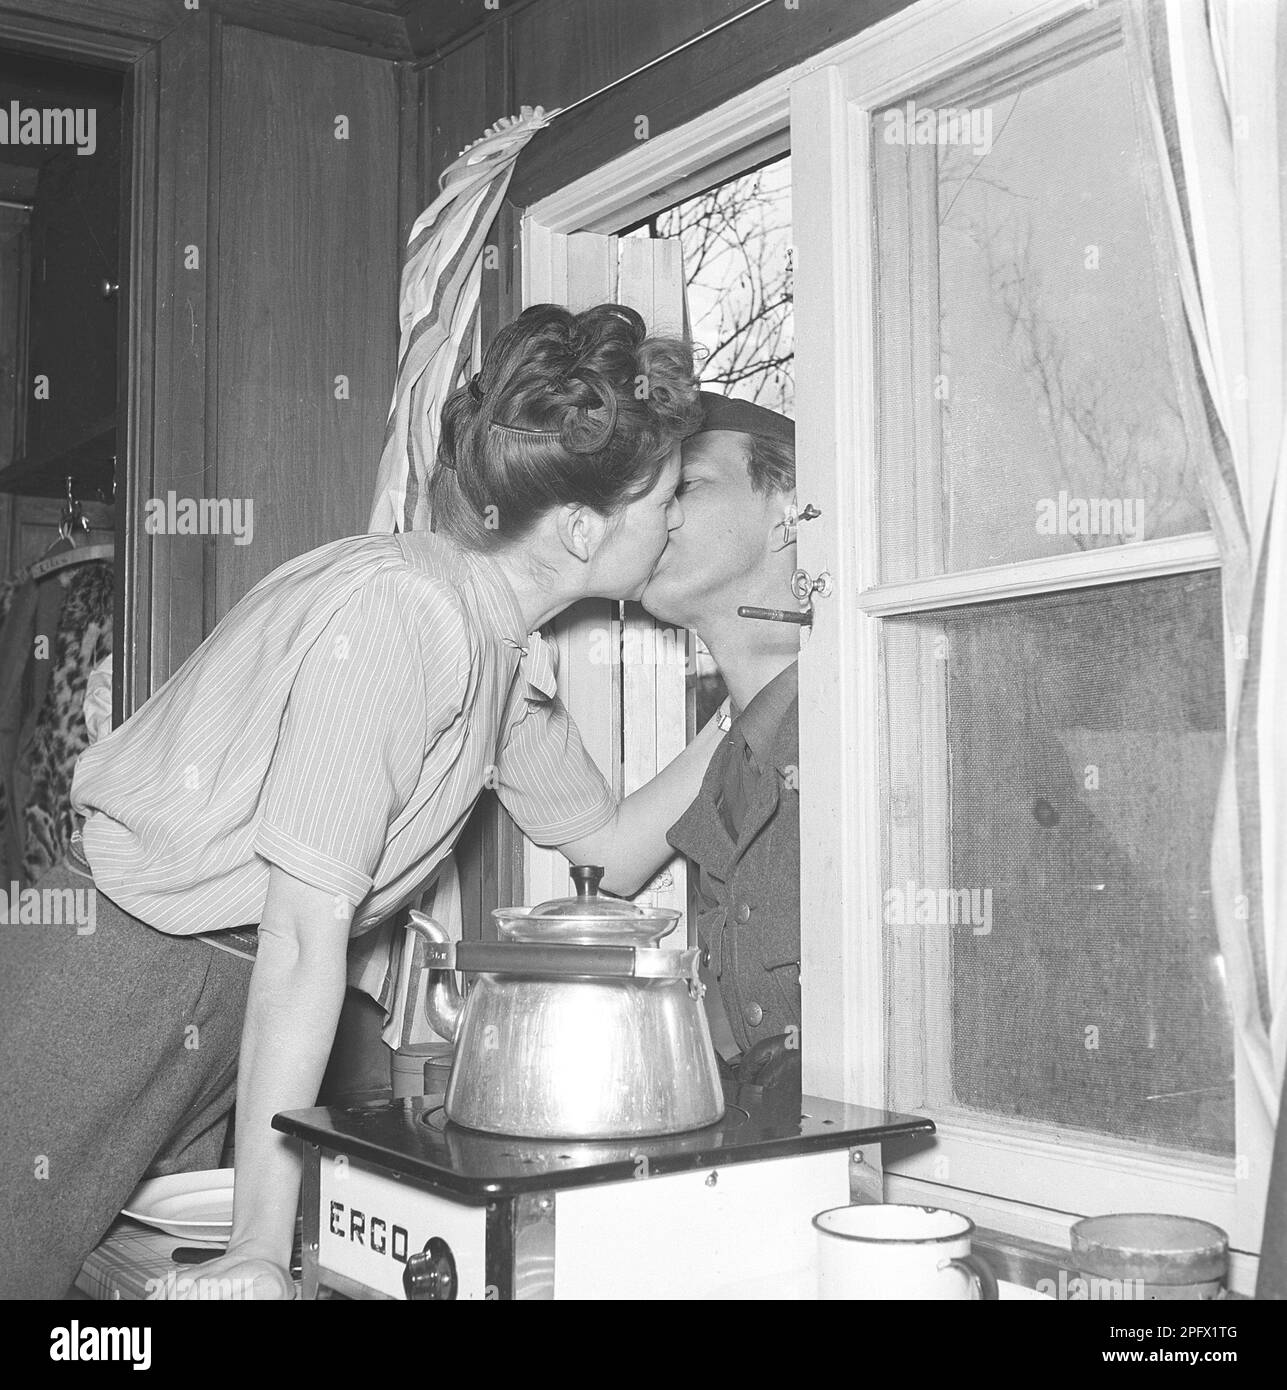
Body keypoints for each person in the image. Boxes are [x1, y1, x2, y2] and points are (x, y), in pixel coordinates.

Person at [0, 304, 721, 1300]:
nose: (679, 516)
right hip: (113, 979)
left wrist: (756, 706)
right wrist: (258, 1245)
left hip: (232, 1006)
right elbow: (304, 937)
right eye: (669, 495)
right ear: (584, 525)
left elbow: (611, 845)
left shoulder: (503, 651)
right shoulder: (406, 616)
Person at [640, 393, 802, 1090]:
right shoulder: (731, 759)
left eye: (686, 486)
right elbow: (600, 852)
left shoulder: (882, 728)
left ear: (789, 511)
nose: (655, 512)